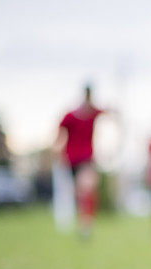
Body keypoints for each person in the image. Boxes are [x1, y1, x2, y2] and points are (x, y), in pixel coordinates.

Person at [55, 84, 108, 238]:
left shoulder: (93, 113)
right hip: (71, 160)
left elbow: (110, 112)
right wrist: (58, 154)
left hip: (87, 159)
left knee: (88, 188)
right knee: (80, 192)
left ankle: (86, 225)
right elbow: (60, 136)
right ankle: (82, 220)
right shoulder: (70, 116)